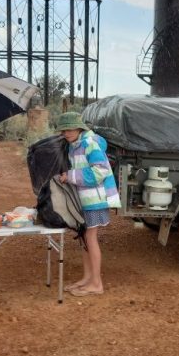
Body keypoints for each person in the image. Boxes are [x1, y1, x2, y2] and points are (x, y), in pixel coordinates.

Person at [56, 111, 120, 297]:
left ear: (79, 127)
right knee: (84, 238)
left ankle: (96, 284)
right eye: (63, 130)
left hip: (96, 200)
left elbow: (100, 171)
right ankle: (87, 278)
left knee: (90, 238)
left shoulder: (89, 144)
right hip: (85, 199)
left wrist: (71, 177)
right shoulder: (74, 145)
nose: (66, 133)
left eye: (69, 129)